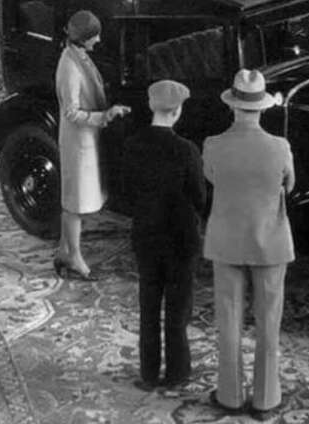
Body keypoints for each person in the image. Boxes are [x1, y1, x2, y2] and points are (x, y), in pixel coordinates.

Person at [203, 69, 295, 421]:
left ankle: (229, 395)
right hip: (270, 242)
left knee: (227, 320)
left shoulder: (213, 145)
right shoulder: (280, 147)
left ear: (233, 106)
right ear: (262, 108)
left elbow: (211, 178)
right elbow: (288, 186)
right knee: (269, 322)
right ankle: (266, 399)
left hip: (225, 240)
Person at [122, 79, 206, 391]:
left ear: (151, 106)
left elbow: (127, 191)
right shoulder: (186, 150)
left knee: (148, 304)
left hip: (146, 235)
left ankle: (148, 372)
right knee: (177, 309)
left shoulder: (132, 145)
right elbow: (199, 196)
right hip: (181, 240)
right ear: (177, 111)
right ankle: (177, 374)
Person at [55, 9, 131, 280]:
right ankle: (74, 258)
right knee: (76, 201)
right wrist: (105, 116)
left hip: (84, 140)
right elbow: (71, 113)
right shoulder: (70, 67)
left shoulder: (78, 56)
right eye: (95, 36)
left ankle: (65, 250)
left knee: (74, 198)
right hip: (78, 142)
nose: (99, 41)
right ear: (84, 38)